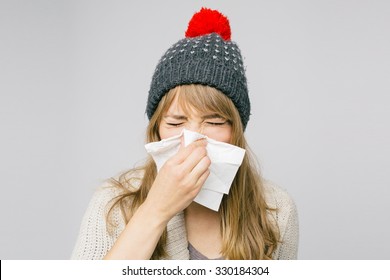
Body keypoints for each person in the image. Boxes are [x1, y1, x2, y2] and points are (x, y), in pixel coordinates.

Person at [71, 7, 299, 260]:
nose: (192, 140)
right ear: (156, 128)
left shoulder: (276, 209)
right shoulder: (114, 202)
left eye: (213, 122)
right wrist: (156, 209)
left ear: (236, 130)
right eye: (176, 123)